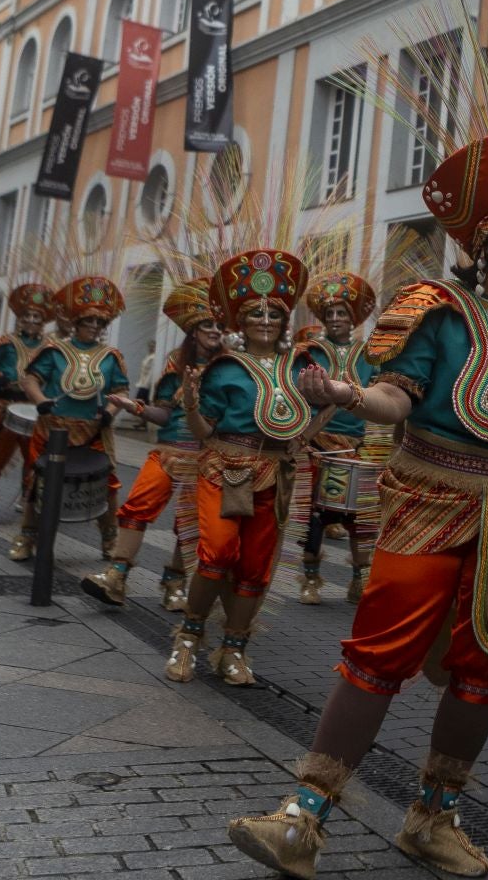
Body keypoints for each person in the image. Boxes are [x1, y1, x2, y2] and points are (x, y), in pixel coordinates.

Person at [227, 1, 488, 880]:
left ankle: (433, 817)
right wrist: (345, 394)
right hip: (429, 496)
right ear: (480, 242)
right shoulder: (431, 310)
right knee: (378, 654)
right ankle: (305, 814)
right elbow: (397, 399)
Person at [165, 247, 330, 686]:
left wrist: (327, 410)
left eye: (273, 314)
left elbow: (307, 423)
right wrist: (192, 399)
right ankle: (188, 636)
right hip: (224, 467)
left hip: (276, 473)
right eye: (255, 313)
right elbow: (202, 432)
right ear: (241, 321)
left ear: (283, 321)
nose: (264, 320)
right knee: (218, 553)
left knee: (256, 566)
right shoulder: (223, 369)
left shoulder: (301, 364)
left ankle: (234, 648)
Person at [86, 276, 221, 609]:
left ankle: (174, 582)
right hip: (169, 448)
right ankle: (116, 575)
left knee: (189, 521)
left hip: (208, 455)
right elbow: (163, 413)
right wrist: (137, 408)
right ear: (193, 331)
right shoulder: (177, 363)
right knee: (138, 505)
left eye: (219, 324)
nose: (215, 330)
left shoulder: (231, 367)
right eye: (207, 325)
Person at [10, 275, 130, 563]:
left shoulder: (111, 356)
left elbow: (121, 390)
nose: (94, 327)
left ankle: (109, 538)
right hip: (54, 427)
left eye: (99, 323)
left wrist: (109, 413)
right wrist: (42, 404)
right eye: (88, 321)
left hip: (94, 431)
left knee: (107, 484)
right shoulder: (54, 350)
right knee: (37, 480)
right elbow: (29, 380)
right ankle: (27, 536)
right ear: (75, 322)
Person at [294, 270, 379, 605]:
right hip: (317, 443)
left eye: (342, 313)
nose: (336, 319)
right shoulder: (309, 351)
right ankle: (311, 578)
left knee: (360, 516)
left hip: (356, 446)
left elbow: (380, 394)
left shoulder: (370, 354)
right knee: (312, 513)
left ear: (353, 318)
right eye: (329, 314)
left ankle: (359, 580)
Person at [0, 282, 52, 521]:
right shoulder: (5, 342)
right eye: (26, 315)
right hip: (5, 404)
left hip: (35, 407)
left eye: (36, 316)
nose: (30, 320)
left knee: (34, 456)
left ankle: (26, 497)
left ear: (43, 321)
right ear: (19, 318)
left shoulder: (50, 347)